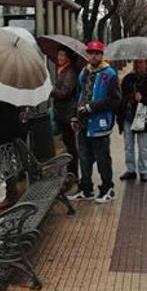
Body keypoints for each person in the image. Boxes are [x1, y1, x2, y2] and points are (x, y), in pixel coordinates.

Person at [69, 41, 121, 204]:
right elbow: (79, 95)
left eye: (97, 53)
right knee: (84, 157)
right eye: (91, 53)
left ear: (102, 55)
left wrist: (91, 107)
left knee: (102, 158)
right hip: (83, 123)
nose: (93, 56)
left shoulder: (110, 74)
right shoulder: (84, 72)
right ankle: (86, 189)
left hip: (100, 123)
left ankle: (107, 189)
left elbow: (115, 100)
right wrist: (75, 116)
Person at [117, 58, 147, 182]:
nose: (138, 65)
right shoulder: (127, 79)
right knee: (128, 146)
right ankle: (130, 170)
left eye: (141, 62)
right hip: (128, 116)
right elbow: (121, 97)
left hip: (143, 116)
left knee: (143, 146)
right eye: (136, 62)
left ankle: (143, 171)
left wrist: (143, 99)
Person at [50, 47, 79, 182]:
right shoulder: (63, 71)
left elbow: (64, 92)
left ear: (68, 57)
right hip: (62, 112)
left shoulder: (70, 72)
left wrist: (52, 89)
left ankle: (73, 173)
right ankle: (71, 172)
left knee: (70, 144)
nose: (59, 57)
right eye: (59, 55)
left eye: (62, 55)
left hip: (67, 113)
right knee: (67, 143)